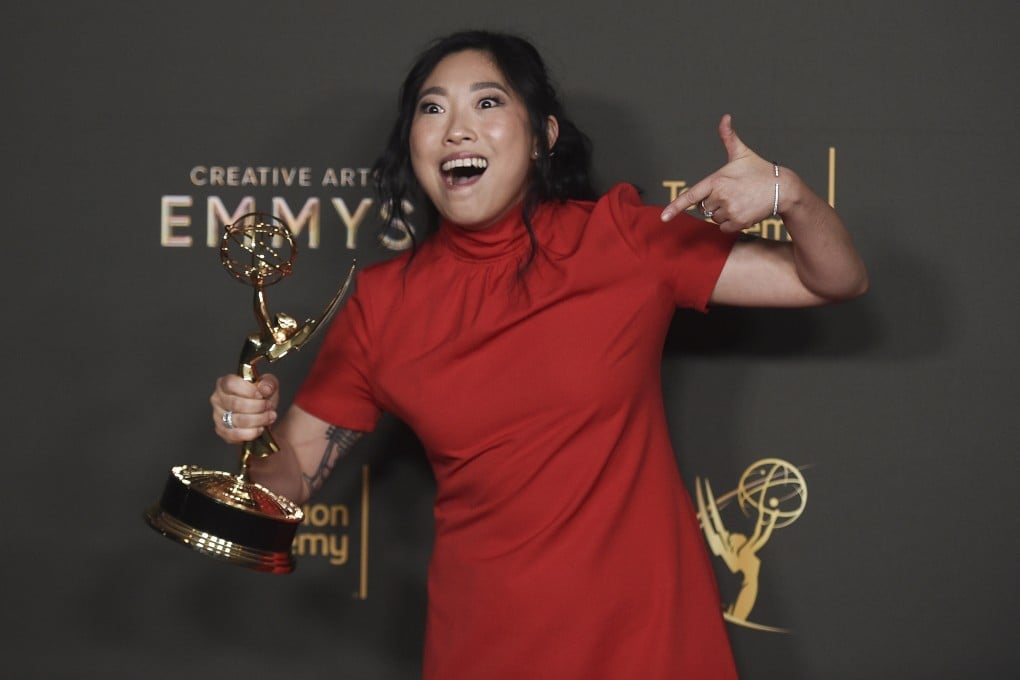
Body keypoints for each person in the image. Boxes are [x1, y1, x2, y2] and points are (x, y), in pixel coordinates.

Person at [210, 30, 867, 679]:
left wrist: (789, 194)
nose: (456, 130)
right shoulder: (382, 305)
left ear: (543, 136)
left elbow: (830, 280)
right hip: (483, 652)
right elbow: (291, 475)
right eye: (433, 109)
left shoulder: (620, 241)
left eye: (487, 103)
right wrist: (251, 436)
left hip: (648, 647)